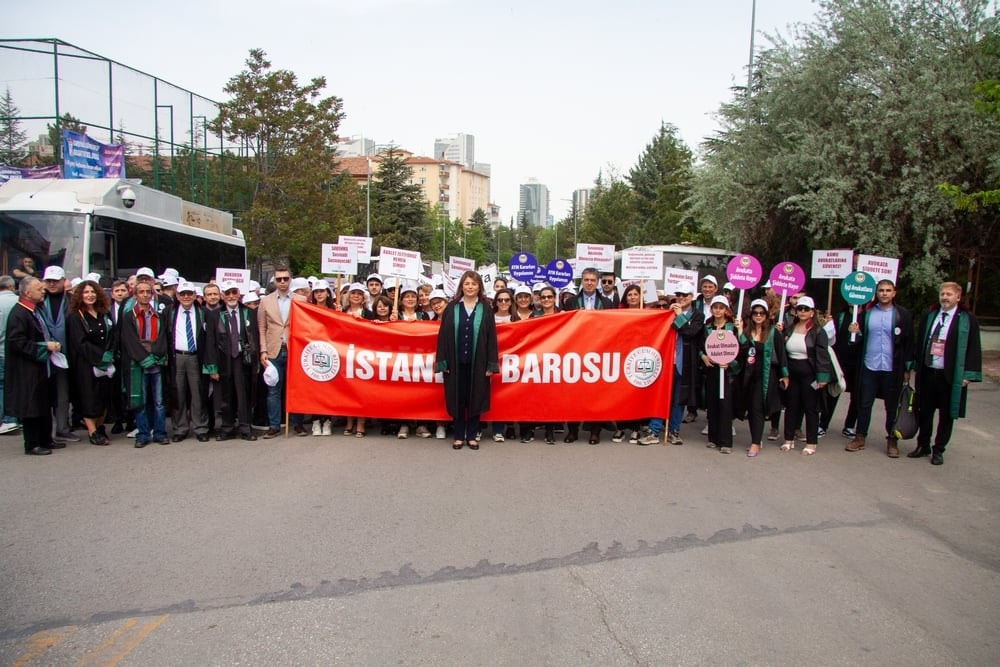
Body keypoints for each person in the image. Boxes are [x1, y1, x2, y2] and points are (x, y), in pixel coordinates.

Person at [910, 281, 982, 465]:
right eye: (942, 294)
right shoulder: (931, 314)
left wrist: (967, 374)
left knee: (946, 414)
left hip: (950, 375)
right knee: (924, 411)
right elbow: (921, 342)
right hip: (928, 371)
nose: (945, 297)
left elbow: (973, 347)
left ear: (958, 297)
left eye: (949, 294)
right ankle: (923, 445)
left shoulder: (967, 318)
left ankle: (938, 449)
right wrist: (914, 365)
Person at [845, 280, 914, 457]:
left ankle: (892, 440)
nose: (884, 293)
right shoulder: (866, 314)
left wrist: (907, 367)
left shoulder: (902, 315)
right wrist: (855, 331)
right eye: (881, 290)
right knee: (864, 403)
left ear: (894, 293)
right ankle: (860, 437)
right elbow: (857, 339)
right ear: (876, 293)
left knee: (892, 406)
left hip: (892, 367)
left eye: (887, 290)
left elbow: (908, 342)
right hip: (870, 365)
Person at [436, 270, 499, 451]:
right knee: (458, 398)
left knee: (475, 398)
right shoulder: (452, 307)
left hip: (478, 362)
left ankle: (472, 435)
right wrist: (443, 362)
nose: (470, 287)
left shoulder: (485, 308)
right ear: (461, 287)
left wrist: (490, 364)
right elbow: (443, 336)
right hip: (455, 362)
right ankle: (458, 435)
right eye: (467, 284)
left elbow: (491, 338)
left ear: (479, 287)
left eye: (473, 284)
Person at [638, 281, 705, 445]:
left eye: (685, 295)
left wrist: (680, 315)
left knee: (678, 399)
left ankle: (674, 430)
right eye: (679, 295)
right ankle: (654, 430)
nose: (681, 298)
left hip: (684, 362)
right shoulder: (667, 311)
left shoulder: (698, 315)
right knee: (661, 395)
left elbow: (690, 332)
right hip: (665, 360)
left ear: (692, 297)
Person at [5, 277, 60, 455]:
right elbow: (16, 341)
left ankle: (46, 439)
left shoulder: (36, 310)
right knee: (31, 405)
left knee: (43, 403)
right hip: (26, 368)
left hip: (41, 366)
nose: (43, 290)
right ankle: (32, 443)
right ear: (27, 292)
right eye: (38, 288)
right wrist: (44, 347)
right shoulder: (19, 313)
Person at [205, 281, 259, 442]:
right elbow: (210, 342)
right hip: (223, 360)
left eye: (233, 292)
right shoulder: (215, 315)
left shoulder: (249, 312)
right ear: (223, 296)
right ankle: (227, 428)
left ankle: (245, 427)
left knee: (244, 395)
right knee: (225, 396)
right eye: (227, 293)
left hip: (244, 360)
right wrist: (212, 367)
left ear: (239, 294)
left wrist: (255, 360)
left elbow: (255, 337)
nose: (230, 296)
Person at [120, 281, 171, 448]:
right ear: (135, 295)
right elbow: (130, 341)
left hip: (156, 363)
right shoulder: (129, 316)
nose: (145, 295)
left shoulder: (158, 315)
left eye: (148, 292)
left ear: (152, 294)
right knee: (140, 400)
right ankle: (142, 434)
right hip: (138, 363)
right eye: (141, 292)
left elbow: (163, 338)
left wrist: (156, 355)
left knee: (159, 401)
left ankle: (160, 432)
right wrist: (144, 358)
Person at [65, 280, 116, 446]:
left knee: (104, 395)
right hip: (86, 363)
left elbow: (112, 334)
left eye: (92, 292)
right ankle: (92, 431)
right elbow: (80, 343)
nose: (90, 295)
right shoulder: (75, 317)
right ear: (80, 295)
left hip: (106, 361)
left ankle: (100, 427)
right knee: (89, 397)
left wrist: (110, 353)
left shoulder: (104, 313)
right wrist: (100, 356)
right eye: (86, 292)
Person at [258, 266, 306, 438]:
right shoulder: (265, 301)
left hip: (295, 349)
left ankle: (298, 424)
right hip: (273, 350)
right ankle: (274, 425)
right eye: (279, 279)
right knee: (273, 389)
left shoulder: (301, 299)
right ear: (274, 281)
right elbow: (262, 327)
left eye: (285, 278)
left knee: (296, 388)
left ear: (290, 279)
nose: (283, 282)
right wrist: (263, 350)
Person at [737, 299, 789, 457]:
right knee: (751, 410)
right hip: (748, 375)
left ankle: (755, 443)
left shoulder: (773, 332)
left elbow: (782, 354)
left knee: (757, 408)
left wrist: (785, 375)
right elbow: (742, 351)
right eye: (755, 313)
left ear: (766, 315)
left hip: (766, 376)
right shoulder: (746, 330)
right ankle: (756, 439)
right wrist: (739, 331)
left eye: (761, 313)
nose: (758, 316)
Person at [780, 296, 830, 456]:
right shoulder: (789, 328)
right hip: (792, 372)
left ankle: (811, 442)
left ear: (812, 312)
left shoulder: (817, 331)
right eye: (800, 309)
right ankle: (788, 439)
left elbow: (822, 355)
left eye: (806, 309)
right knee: (791, 406)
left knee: (810, 408)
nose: (802, 312)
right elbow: (782, 351)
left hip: (810, 373)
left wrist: (822, 377)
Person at [38, 265, 78, 443]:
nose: (52, 284)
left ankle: (63, 427)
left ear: (64, 281)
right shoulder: (39, 302)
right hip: (43, 355)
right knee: (44, 393)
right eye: (49, 281)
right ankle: (45, 431)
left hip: (66, 355)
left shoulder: (72, 301)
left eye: (55, 281)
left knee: (63, 394)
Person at [167, 281, 211, 443]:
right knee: (178, 393)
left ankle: (200, 427)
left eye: (189, 294)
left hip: (195, 357)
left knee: (198, 393)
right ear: (177, 296)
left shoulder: (203, 312)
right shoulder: (170, 312)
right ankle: (180, 428)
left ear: (194, 295)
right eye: (182, 294)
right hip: (177, 357)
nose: (186, 297)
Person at [701, 295, 741, 453]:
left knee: (725, 405)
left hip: (726, 372)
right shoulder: (707, 328)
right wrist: (703, 357)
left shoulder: (733, 328)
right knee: (712, 403)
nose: (717, 310)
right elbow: (700, 347)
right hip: (711, 370)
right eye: (715, 307)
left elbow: (740, 350)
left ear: (726, 310)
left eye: (721, 307)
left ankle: (725, 441)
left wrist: (730, 363)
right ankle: (713, 437)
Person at [0, 275, 21, 433]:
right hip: (15, 351)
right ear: (12, 287)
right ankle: (13, 417)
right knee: (13, 385)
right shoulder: (18, 303)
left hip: (1, 351)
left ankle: (6, 419)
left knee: (1, 385)